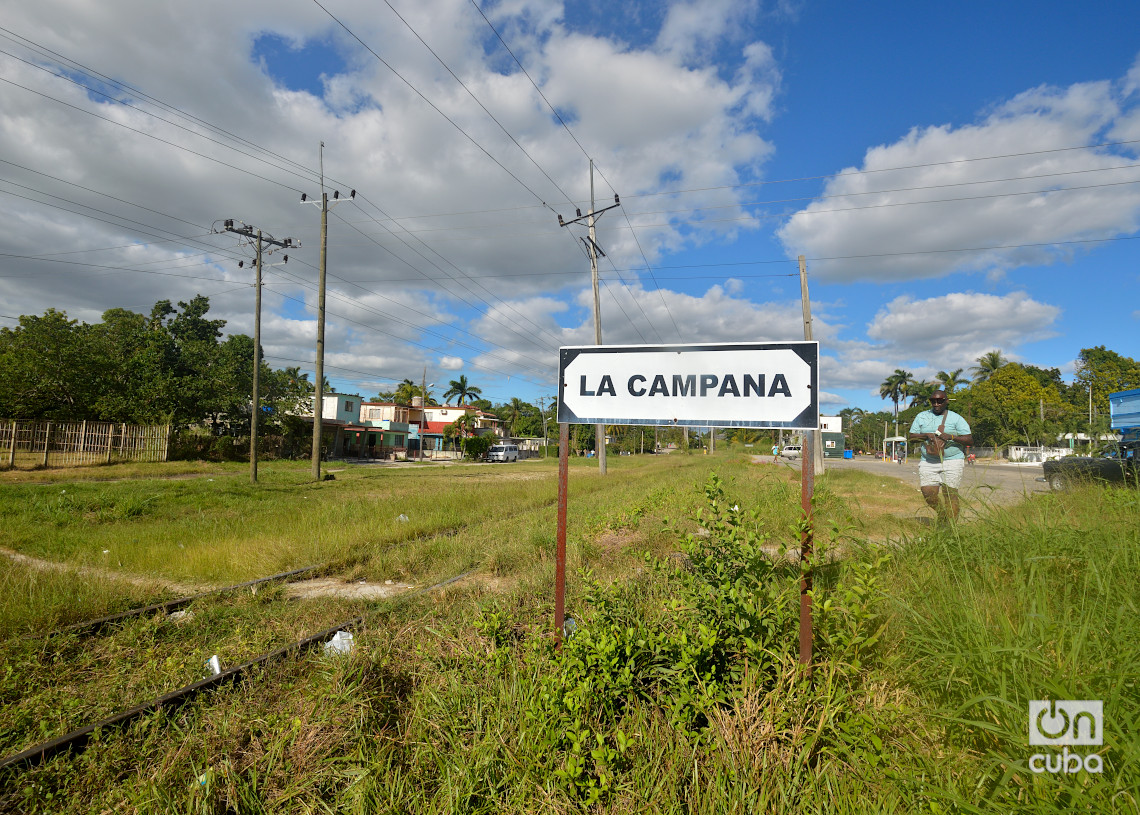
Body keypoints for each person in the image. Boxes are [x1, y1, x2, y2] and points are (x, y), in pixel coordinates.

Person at [908, 389, 973, 523]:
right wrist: (926, 435)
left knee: (950, 494)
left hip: (952, 460)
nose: (936, 404)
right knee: (928, 493)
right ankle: (942, 514)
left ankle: (950, 529)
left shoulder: (956, 418)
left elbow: (969, 440)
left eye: (940, 401)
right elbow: (911, 438)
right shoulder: (922, 416)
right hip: (929, 461)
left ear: (946, 401)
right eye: (933, 401)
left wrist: (952, 437)